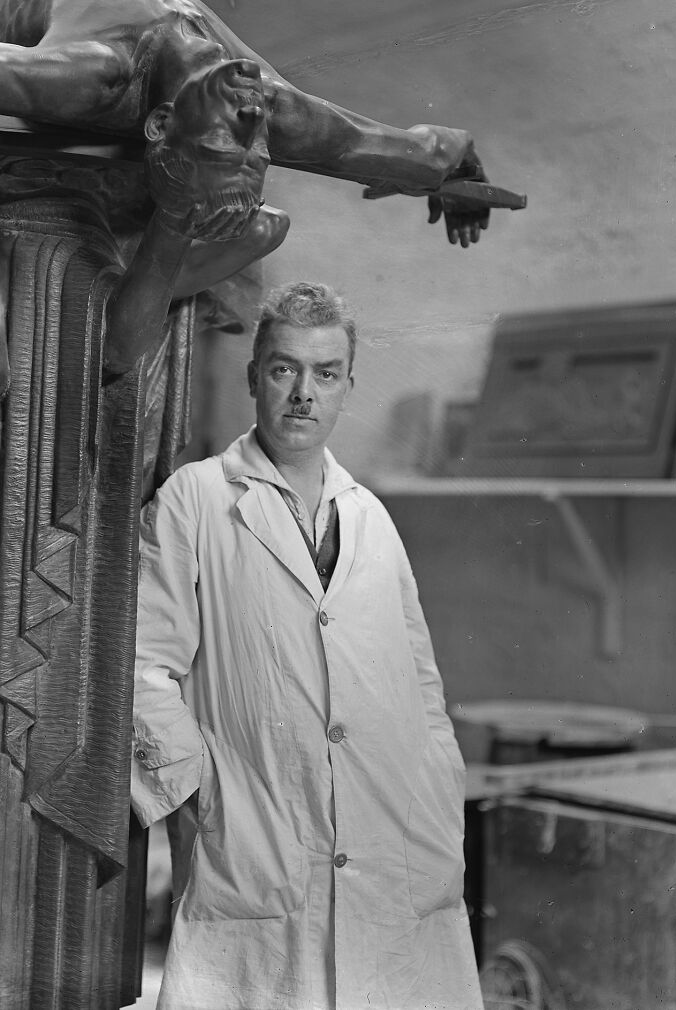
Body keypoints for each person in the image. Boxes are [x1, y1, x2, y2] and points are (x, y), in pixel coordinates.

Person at [130, 281, 484, 1010]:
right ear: (254, 376)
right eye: (285, 369)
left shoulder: (371, 518)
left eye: (325, 374)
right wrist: (206, 793)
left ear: (347, 386)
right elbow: (142, 664)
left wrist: (441, 786)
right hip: (256, 838)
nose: (303, 394)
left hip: (395, 832)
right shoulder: (195, 500)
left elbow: (420, 681)